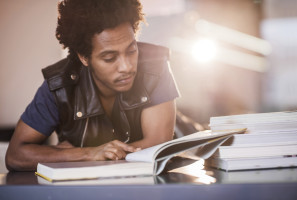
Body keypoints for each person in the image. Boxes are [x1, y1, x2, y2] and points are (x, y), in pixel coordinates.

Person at [5, 0, 180, 171]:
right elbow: (15, 156)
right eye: (110, 58)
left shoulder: (154, 66)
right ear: (84, 57)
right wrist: (88, 153)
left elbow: (158, 147)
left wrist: (66, 153)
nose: (127, 67)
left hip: (182, 133)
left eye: (132, 50)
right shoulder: (59, 86)